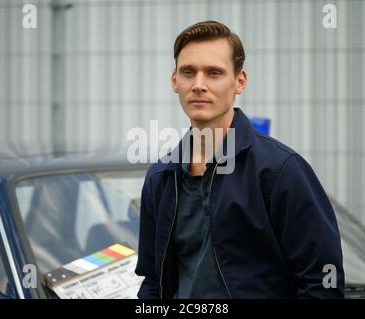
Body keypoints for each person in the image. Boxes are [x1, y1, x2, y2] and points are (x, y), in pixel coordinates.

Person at [135, 20, 344, 299]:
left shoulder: (280, 170)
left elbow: (323, 282)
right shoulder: (160, 177)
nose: (198, 85)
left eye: (213, 73)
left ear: (239, 81)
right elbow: (153, 282)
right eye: (188, 72)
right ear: (175, 81)